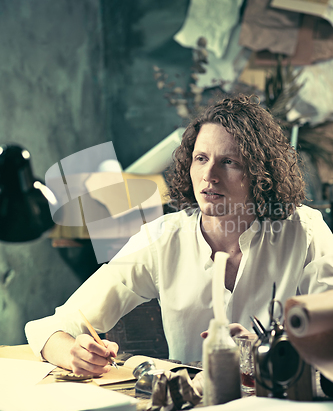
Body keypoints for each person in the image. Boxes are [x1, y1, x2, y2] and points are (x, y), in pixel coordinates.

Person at [25, 95, 333, 376]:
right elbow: (53, 327)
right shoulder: (162, 238)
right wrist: (73, 353)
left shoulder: (304, 233)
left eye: (229, 162)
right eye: (201, 159)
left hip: (285, 407)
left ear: (259, 172)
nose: (209, 176)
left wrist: (271, 347)